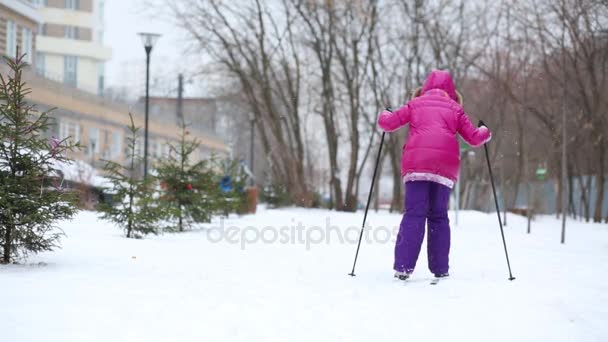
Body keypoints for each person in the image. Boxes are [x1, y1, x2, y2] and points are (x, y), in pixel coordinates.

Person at [377, 70, 491, 280]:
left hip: (417, 163)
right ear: (451, 92)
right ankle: (440, 268)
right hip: (445, 167)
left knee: (414, 213)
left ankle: (403, 267)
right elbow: (475, 138)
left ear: (424, 88)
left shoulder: (415, 104)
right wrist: (484, 130)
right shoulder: (456, 109)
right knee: (439, 215)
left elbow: (387, 124)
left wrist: (385, 113)